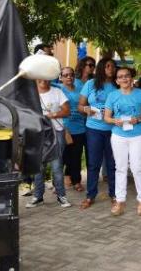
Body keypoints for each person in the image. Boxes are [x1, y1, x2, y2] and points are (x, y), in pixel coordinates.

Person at [104, 67, 141, 216]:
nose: (124, 79)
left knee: (137, 168)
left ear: (131, 78)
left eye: (127, 76)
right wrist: (114, 121)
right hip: (118, 135)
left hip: (137, 135)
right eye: (121, 77)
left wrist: (138, 119)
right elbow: (107, 117)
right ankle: (120, 201)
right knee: (120, 168)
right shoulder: (112, 96)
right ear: (117, 80)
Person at [78, 58, 118, 209]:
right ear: (101, 68)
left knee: (112, 164)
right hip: (93, 129)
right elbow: (80, 106)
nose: (111, 69)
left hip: (113, 130)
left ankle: (114, 194)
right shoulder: (90, 84)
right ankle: (90, 195)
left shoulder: (117, 86)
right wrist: (86, 109)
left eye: (113, 66)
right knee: (93, 163)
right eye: (108, 66)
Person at [27, 78, 72, 208]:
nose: (43, 80)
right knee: (38, 167)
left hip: (56, 132)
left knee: (57, 166)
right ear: (35, 79)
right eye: (40, 77)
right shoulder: (31, 93)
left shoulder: (57, 92)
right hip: (38, 133)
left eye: (46, 78)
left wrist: (53, 115)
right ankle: (38, 196)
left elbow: (67, 111)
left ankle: (61, 195)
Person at [59, 67, 87, 192]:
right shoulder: (58, 89)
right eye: (65, 75)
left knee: (76, 157)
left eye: (71, 75)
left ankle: (76, 181)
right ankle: (58, 183)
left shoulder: (80, 89)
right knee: (63, 157)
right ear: (61, 77)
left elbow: (85, 104)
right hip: (64, 128)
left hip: (80, 127)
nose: (69, 77)